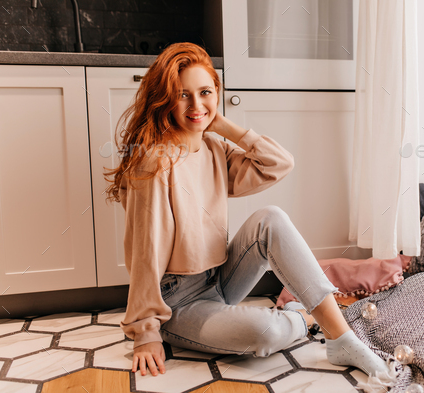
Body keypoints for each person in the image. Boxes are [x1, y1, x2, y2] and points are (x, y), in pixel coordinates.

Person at [103, 42, 392, 381]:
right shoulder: (155, 163)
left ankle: (341, 337)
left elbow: (278, 163)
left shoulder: (212, 145)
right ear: (165, 99)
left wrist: (221, 124)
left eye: (205, 92)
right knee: (267, 334)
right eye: (183, 96)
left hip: (218, 278)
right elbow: (144, 254)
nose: (196, 105)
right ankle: (305, 318)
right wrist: (146, 332)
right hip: (176, 303)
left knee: (270, 218)